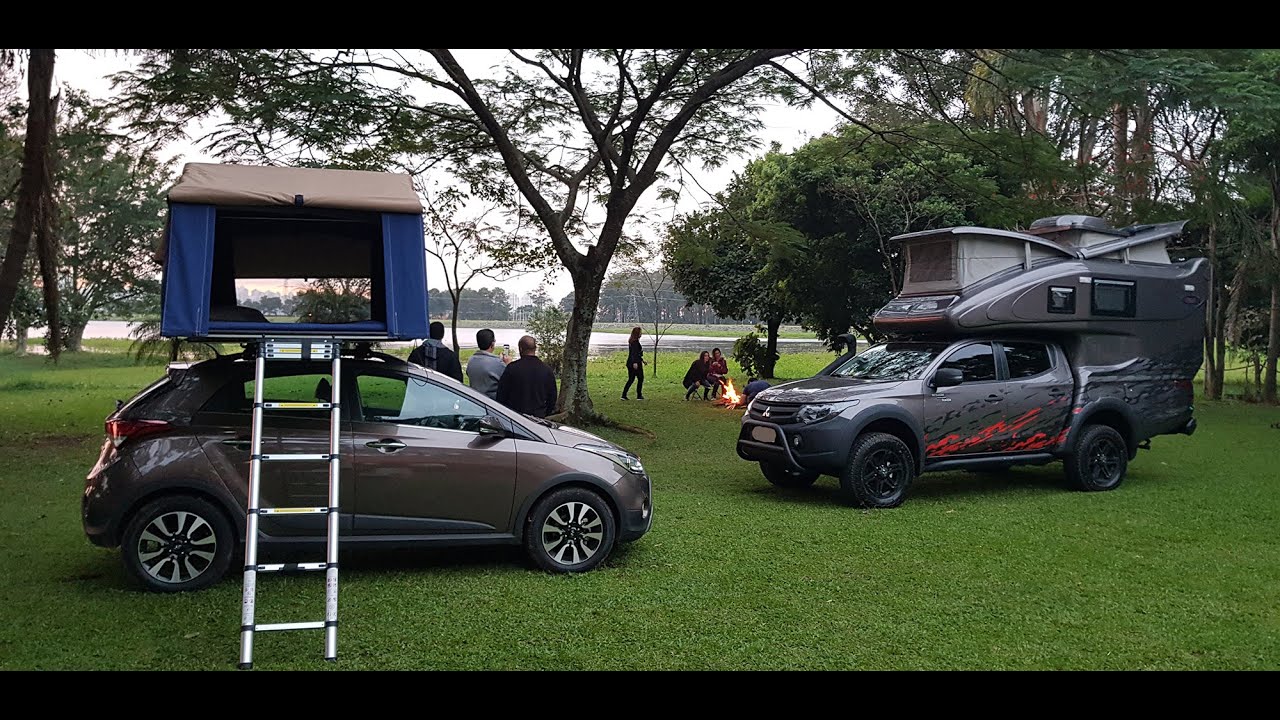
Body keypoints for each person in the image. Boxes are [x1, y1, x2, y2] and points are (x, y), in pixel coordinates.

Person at [496, 335, 558, 418]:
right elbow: (552, 398)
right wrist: (545, 413)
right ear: (535, 349)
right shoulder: (546, 370)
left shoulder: (512, 368)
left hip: (515, 416)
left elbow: (501, 395)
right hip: (538, 417)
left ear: (520, 349)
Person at [466, 328, 510, 400]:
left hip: (475, 400)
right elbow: (508, 380)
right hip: (492, 404)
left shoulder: (471, 360)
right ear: (492, 344)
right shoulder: (497, 363)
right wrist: (507, 365)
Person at [622, 326, 646, 400]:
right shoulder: (635, 342)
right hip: (635, 363)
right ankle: (639, 395)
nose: (641, 334)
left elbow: (636, 353)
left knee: (631, 379)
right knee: (640, 378)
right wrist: (635, 362)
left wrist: (642, 360)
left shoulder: (632, 341)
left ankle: (624, 395)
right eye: (640, 332)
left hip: (631, 362)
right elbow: (634, 354)